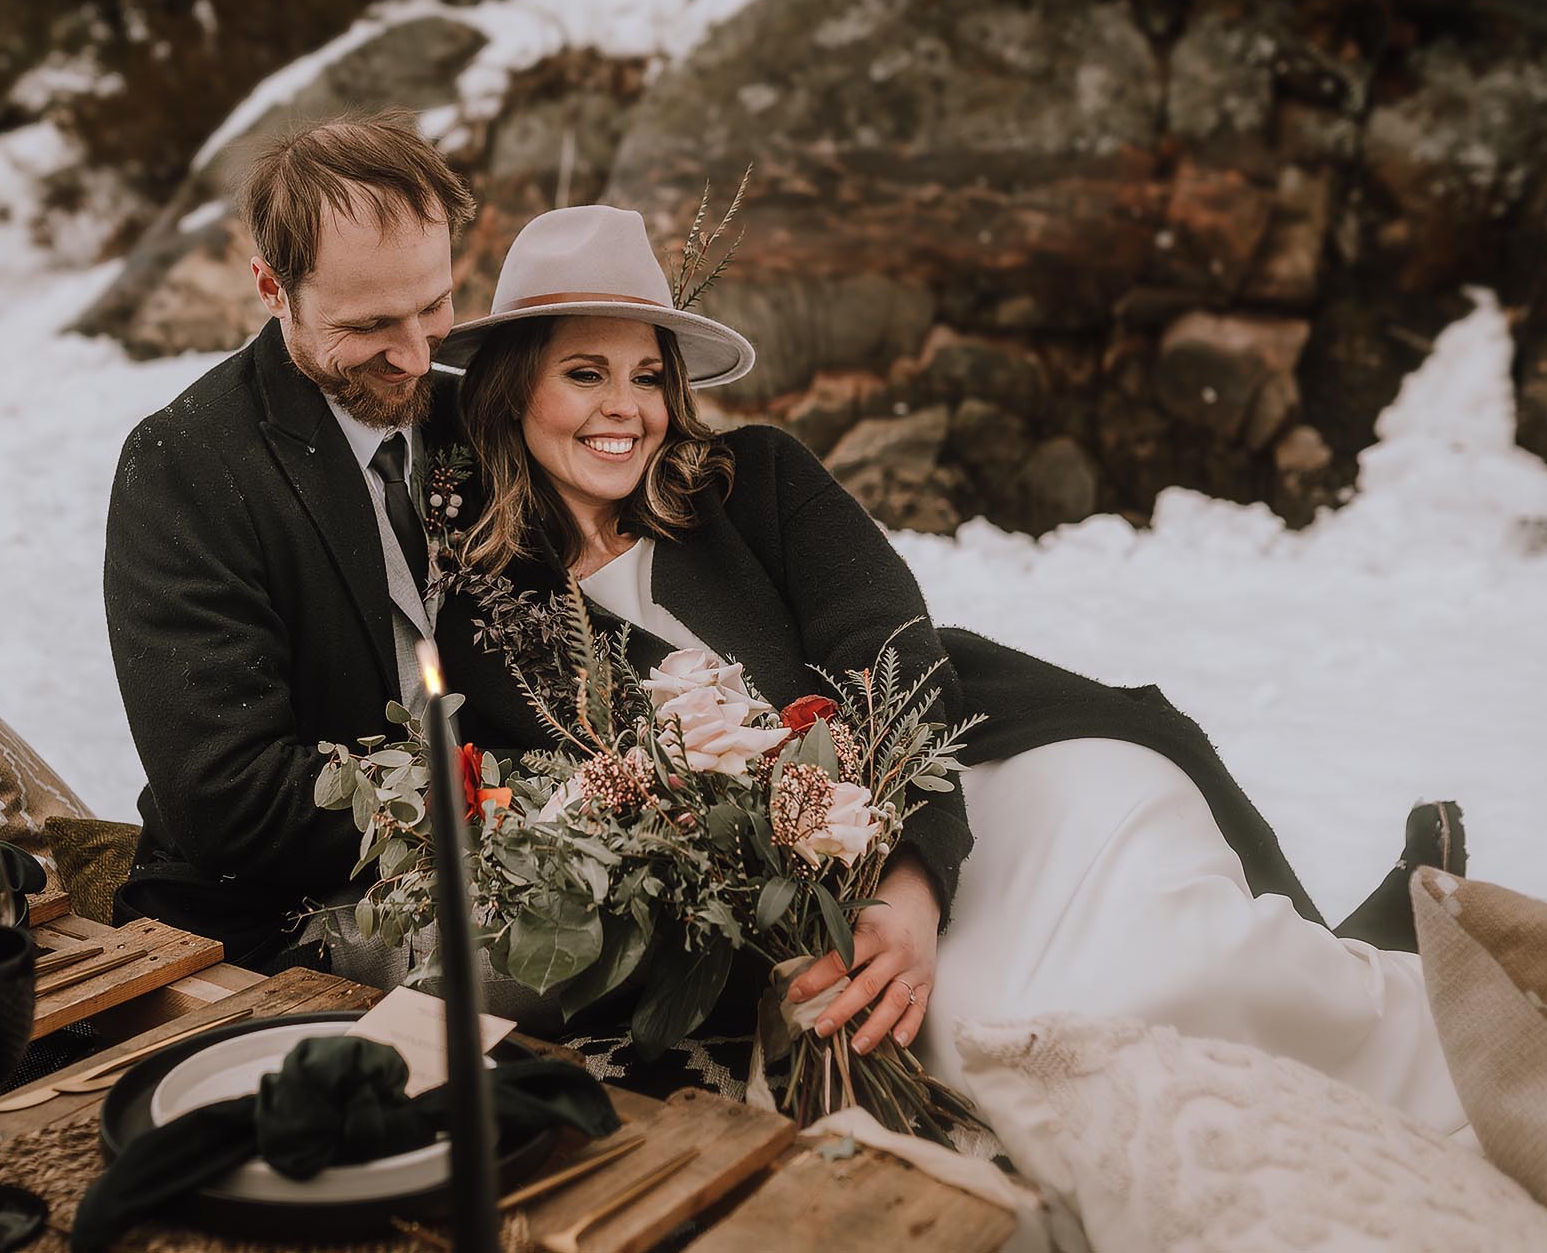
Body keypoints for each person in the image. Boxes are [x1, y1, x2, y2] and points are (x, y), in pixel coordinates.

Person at [431, 204, 1471, 1136]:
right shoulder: (492, 615)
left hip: (973, 784)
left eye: (648, 373)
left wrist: (911, 880)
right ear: (513, 385)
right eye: (583, 372)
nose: (627, 407)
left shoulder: (753, 484)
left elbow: (890, 650)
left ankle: (1424, 1008)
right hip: (790, 914)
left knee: (1180, 948)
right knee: (1023, 1030)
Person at [102, 112, 474, 966]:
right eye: (371, 326)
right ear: (273, 289)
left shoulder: (476, 414)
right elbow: (229, 798)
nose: (416, 356)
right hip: (264, 919)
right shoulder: (181, 462)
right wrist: (489, 803)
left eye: (435, 305)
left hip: (495, 879)